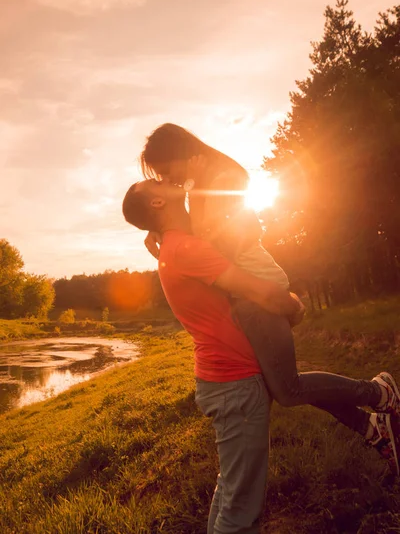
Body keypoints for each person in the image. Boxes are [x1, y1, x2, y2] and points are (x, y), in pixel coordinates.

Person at [123, 178, 400, 534]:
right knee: (239, 513)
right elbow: (259, 291)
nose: (172, 181)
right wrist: (293, 305)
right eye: (160, 182)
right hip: (235, 383)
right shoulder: (186, 249)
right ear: (158, 202)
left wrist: (160, 234)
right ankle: (377, 396)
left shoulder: (175, 247)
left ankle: (373, 416)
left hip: (223, 380)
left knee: (231, 491)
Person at [139, 123, 400, 466]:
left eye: (165, 170)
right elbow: (200, 239)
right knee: (283, 384)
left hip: (255, 288)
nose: (168, 179)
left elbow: (213, 243)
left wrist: (175, 226)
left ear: (178, 153)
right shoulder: (200, 184)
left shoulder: (222, 180)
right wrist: (160, 228)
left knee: (288, 389)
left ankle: (379, 393)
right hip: (247, 292)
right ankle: (371, 427)